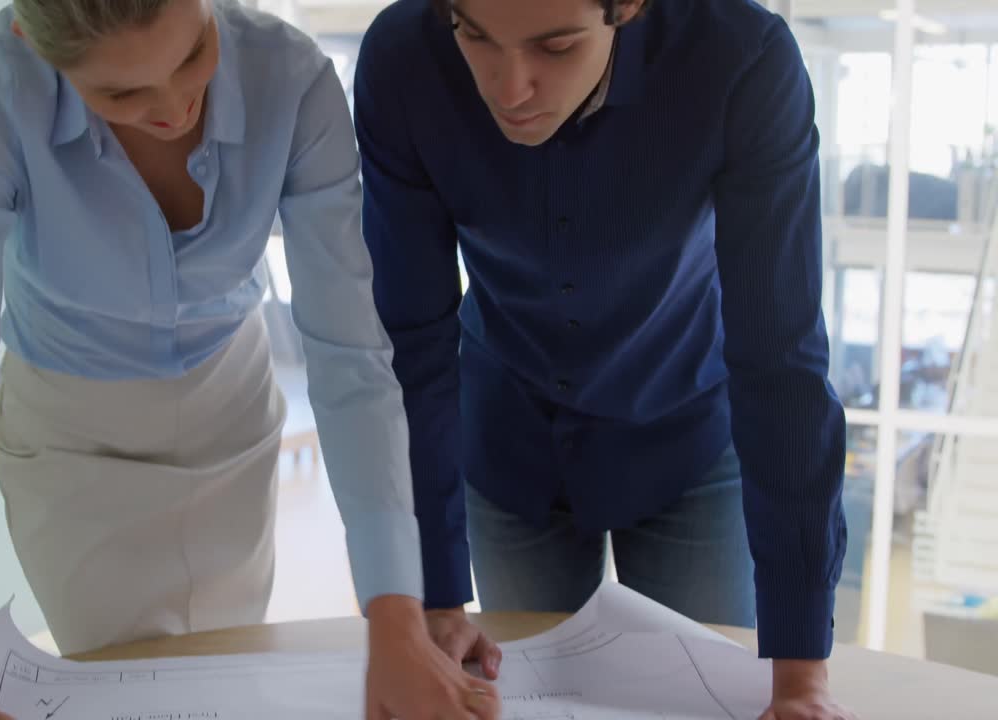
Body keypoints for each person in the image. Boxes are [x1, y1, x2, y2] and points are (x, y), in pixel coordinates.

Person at [0, 1, 499, 718]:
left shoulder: (293, 78)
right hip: (71, 435)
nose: (176, 108)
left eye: (192, 57)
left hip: (230, 411)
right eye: (121, 94)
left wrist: (398, 624)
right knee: (124, 682)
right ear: (35, 44)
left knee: (226, 672)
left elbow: (350, 360)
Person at [355, 0, 854, 718]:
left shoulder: (742, 58)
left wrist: (802, 679)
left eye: (555, 48)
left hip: (687, 437)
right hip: (506, 443)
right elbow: (412, 346)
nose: (509, 86)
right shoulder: (403, 59)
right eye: (475, 36)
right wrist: (433, 592)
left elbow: (782, 363)